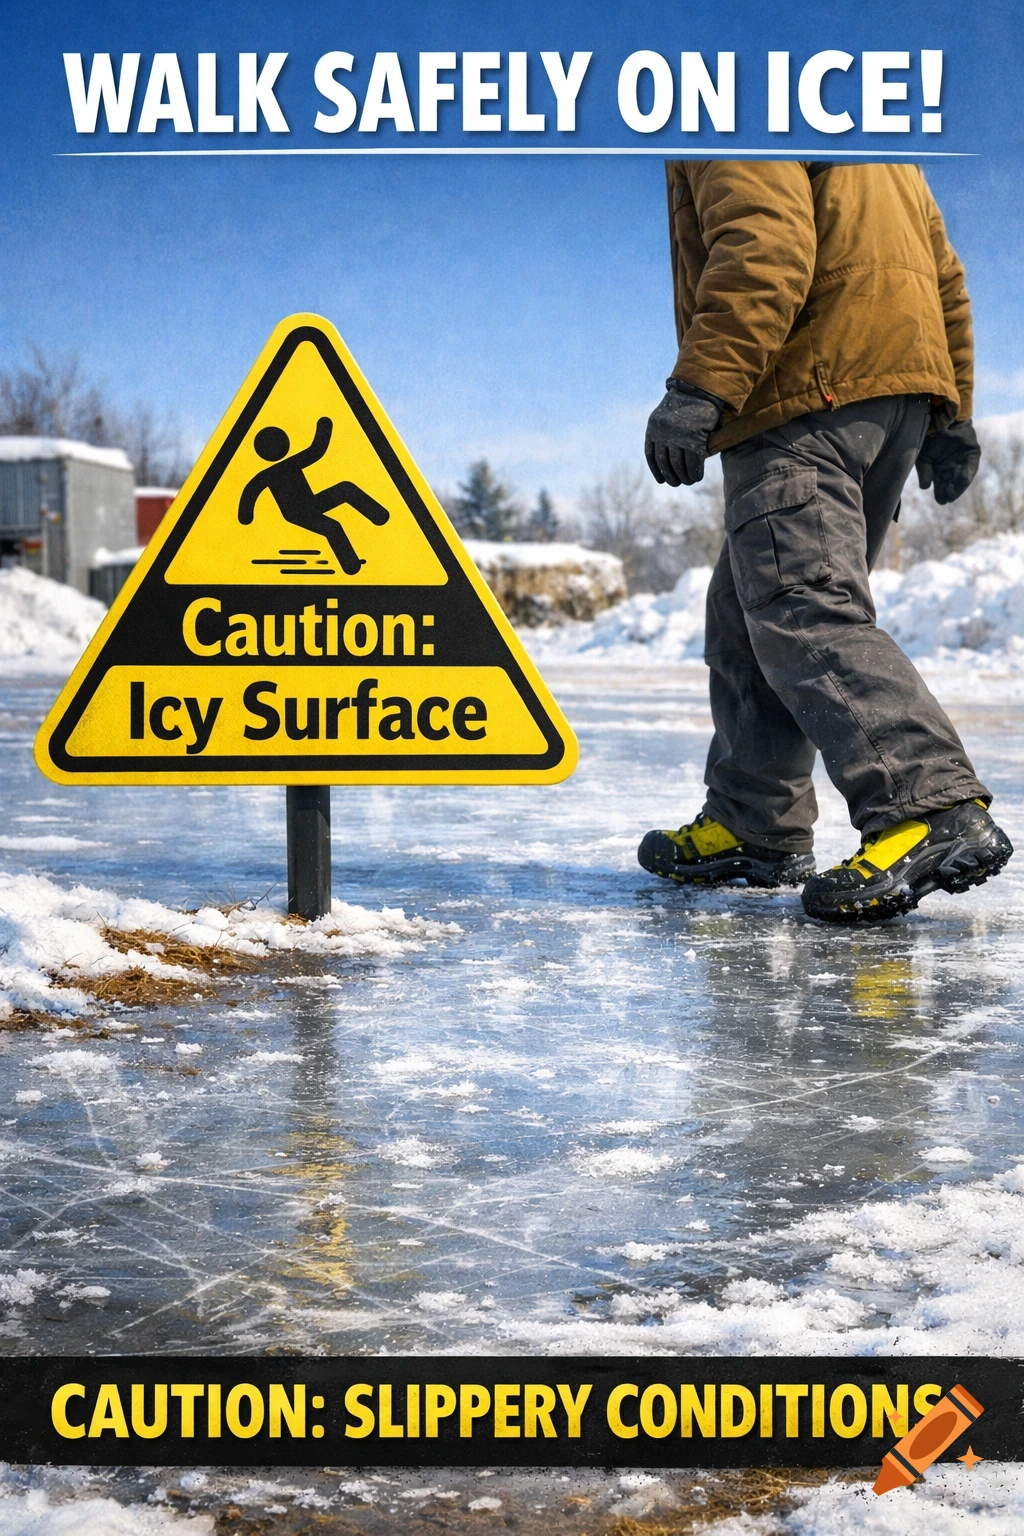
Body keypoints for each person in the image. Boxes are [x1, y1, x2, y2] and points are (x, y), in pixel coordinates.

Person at [637, 160, 1012, 923]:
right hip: (894, 389)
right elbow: (945, 278)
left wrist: (701, 385)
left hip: (807, 383)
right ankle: (756, 825)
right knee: (746, 606)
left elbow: (765, 243)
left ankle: (924, 804)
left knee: (801, 602)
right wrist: (952, 411)